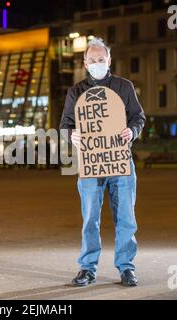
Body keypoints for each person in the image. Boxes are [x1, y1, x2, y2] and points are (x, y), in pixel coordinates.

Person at [59, 37, 146, 287]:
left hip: (120, 163)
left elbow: (138, 117)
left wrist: (132, 131)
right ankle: (87, 268)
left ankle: (126, 267)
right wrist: (71, 135)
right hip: (90, 165)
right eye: (92, 60)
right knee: (90, 219)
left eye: (101, 59)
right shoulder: (75, 92)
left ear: (109, 60)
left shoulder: (124, 87)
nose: (97, 63)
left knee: (126, 218)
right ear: (85, 63)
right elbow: (65, 125)